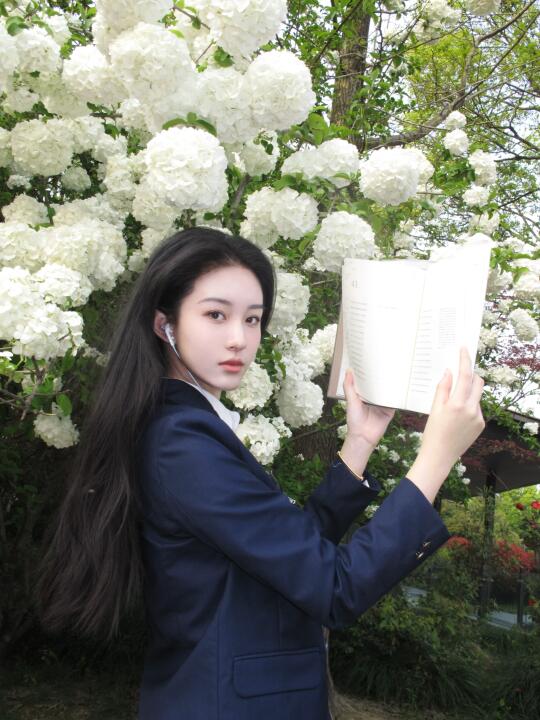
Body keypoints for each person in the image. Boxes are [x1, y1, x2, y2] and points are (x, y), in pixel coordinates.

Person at [37, 227, 486, 720]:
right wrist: (436, 456)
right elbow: (336, 588)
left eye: (252, 319)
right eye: (215, 314)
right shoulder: (181, 442)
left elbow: (289, 553)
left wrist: (359, 441)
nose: (239, 339)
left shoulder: (186, 425)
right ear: (165, 324)